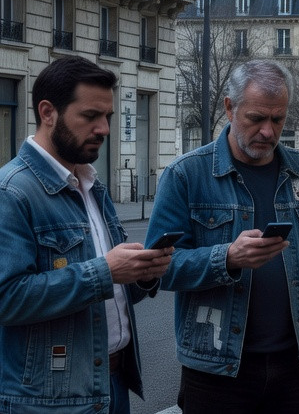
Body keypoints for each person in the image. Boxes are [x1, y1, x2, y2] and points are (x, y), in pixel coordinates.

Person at [148, 59, 299, 413]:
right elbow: (160, 267)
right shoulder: (186, 175)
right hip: (217, 367)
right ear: (229, 108)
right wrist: (228, 258)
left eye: (278, 119)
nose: (268, 131)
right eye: (256, 118)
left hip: (295, 364)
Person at [0, 56, 171, 413]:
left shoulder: (91, 184)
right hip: (50, 400)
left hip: (111, 384)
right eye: (90, 116)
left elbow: (108, 292)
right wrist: (105, 272)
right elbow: (8, 298)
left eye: (107, 116)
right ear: (48, 113)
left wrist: (140, 273)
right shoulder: (12, 191)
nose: (104, 129)